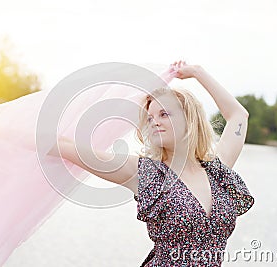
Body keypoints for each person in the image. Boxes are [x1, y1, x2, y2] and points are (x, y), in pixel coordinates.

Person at [48, 61, 255, 266]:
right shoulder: (147, 174)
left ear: (190, 119)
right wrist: (23, 133)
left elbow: (239, 115)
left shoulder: (217, 171)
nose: (154, 121)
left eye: (164, 114)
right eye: (149, 117)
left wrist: (198, 72)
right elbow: (64, 146)